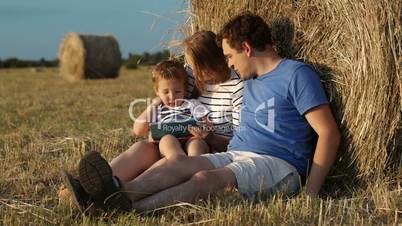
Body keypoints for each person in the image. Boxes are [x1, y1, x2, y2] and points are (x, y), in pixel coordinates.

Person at [61, 31, 244, 212]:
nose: (189, 68)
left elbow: (240, 142)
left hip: (208, 148)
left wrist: (210, 137)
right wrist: (159, 118)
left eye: (193, 65)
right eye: (188, 64)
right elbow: (168, 92)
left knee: (181, 157)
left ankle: (120, 193)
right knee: (143, 148)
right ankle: (86, 190)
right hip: (177, 139)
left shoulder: (236, 87)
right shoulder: (190, 75)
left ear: (208, 64)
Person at [134, 60, 211, 159]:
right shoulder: (158, 109)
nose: (172, 97)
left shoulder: (192, 104)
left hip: (190, 138)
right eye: (165, 92)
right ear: (157, 91)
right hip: (167, 144)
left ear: (185, 90)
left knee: (196, 144)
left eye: (177, 91)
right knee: (167, 140)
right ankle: (177, 161)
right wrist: (154, 105)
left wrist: (203, 128)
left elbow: (208, 124)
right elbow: (138, 131)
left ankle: (193, 164)